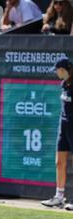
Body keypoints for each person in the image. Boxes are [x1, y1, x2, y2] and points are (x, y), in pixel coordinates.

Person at [41, 58, 73, 210]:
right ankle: (59, 197)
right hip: (64, 126)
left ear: (65, 69)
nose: (56, 72)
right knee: (59, 162)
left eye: (58, 69)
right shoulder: (64, 84)